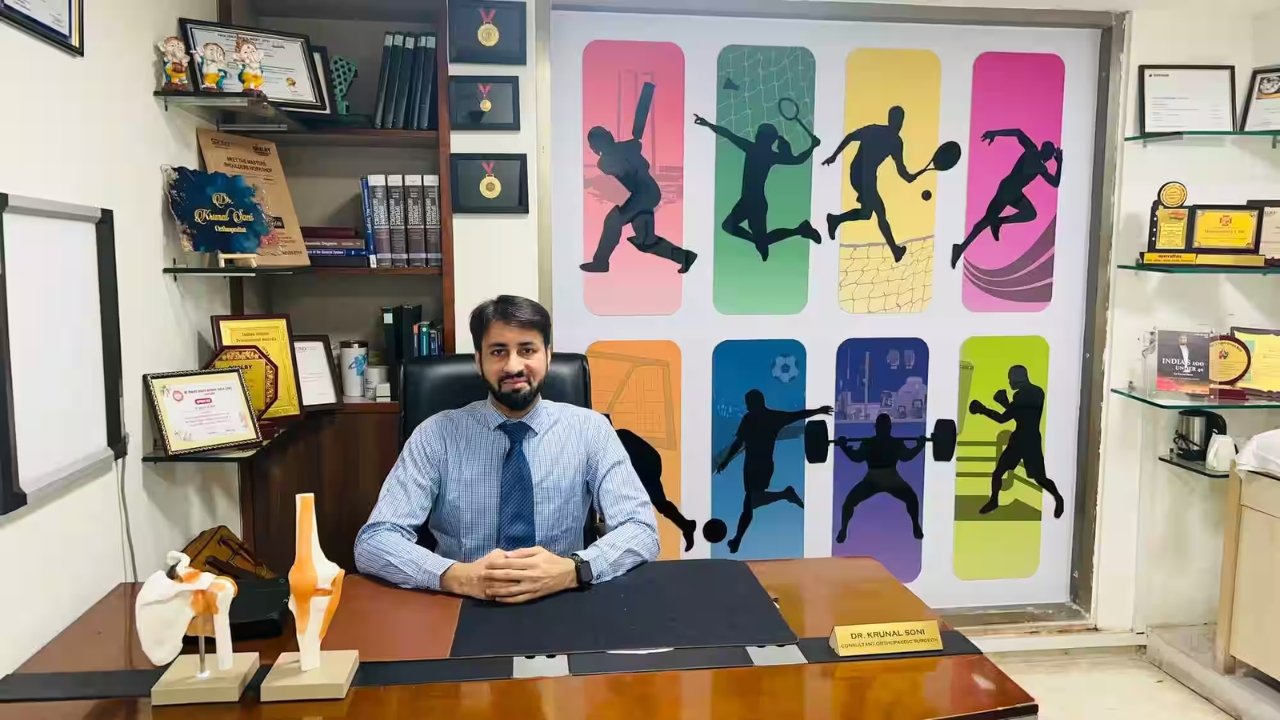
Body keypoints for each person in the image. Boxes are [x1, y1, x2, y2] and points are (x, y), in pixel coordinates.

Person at [354, 296, 659, 603]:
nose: (513, 366)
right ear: (479, 361)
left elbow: (641, 529)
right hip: (462, 602)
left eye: (527, 350)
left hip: (562, 598)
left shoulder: (590, 430)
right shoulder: (435, 436)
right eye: (498, 352)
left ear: (548, 356)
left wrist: (574, 569)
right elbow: (375, 540)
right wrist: (456, 576)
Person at [580, 87, 697, 274]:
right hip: (649, 193)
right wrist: (633, 145)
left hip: (642, 195)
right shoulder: (628, 147)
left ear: (595, 146)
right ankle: (684, 257)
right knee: (646, 242)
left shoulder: (606, 161)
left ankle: (601, 262)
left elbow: (620, 171)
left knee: (613, 220)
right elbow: (631, 157)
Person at [715, 389, 832, 554]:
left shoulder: (752, 419)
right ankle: (737, 540)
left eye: (748, 403)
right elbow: (796, 415)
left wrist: (726, 460)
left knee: (750, 502)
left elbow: (738, 443)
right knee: (750, 504)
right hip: (755, 466)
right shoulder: (768, 417)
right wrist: (818, 411)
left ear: (755, 403)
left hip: (758, 466)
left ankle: (784, 495)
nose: (747, 407)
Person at [693, 114, 822, 261]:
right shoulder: (769, 155)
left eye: (759, 134)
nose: (756, 136)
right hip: (751, 201)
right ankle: (785, 234)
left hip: (754, 202)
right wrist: (811, 147)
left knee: (733, 228)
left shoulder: (753, 149)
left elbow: (728, 134)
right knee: (734, 229)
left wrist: (708, 124)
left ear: (761, 138)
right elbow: (797, 159)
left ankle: (799, 230)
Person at [821, 106, 923, 263]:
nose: (899, 124)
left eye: (900, 121)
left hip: (867, 176)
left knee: (866, 214)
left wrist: (909, 177)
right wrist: (834, 156)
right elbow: (850, 137)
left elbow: (901, 170)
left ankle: (835, 220)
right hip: (860, 174)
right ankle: (895, 250)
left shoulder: (894, 141)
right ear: (891, 120)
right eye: (897, 120)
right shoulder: (877, 132)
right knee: (880, 212)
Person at [952, 129, 1062, 269]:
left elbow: (1018, 133)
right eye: (1050, 155)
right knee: (986, 221)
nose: (1049, 158)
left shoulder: (1032, 150)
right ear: (1046, 153)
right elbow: (1055, 182)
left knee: (1029, 213)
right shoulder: (1039, 165)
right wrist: (1059, 163)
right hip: (1007, 192)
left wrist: (995, 133)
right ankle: (963, 246)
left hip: (1013, 192)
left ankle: (995, 223)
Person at [967, 365, 1065, 519]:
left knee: (1008, 474)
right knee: (1008, 473)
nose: (1009, 382)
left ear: (1016, 379)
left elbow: (1003, 418)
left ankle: (1057, 498)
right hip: (1027, 438)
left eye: (1010, 379)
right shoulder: (1037, 392)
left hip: (1024, 439)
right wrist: (1005, 403)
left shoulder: (1021, 396)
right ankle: (994, 500)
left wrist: (983, 409)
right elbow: (1021, 414)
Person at [834, 413, 925, 543]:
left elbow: (856, 457)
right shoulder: (884, 443)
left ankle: (916, 526)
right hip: (886, 479)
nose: (882, 429)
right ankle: (843, 530)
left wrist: (844, 446)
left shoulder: (876, 443)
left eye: (883, 426)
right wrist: (920, 445)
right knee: (912, 499)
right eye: (882, 426)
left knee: (912, 499)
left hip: (879, 479)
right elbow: (907, 457)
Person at [613, 425, 698, 551]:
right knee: (660, 503)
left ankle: (686, 525)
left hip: (644, 465)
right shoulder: (618, 438)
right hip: (649, 463)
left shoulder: (618, 440)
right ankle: (686, 525)